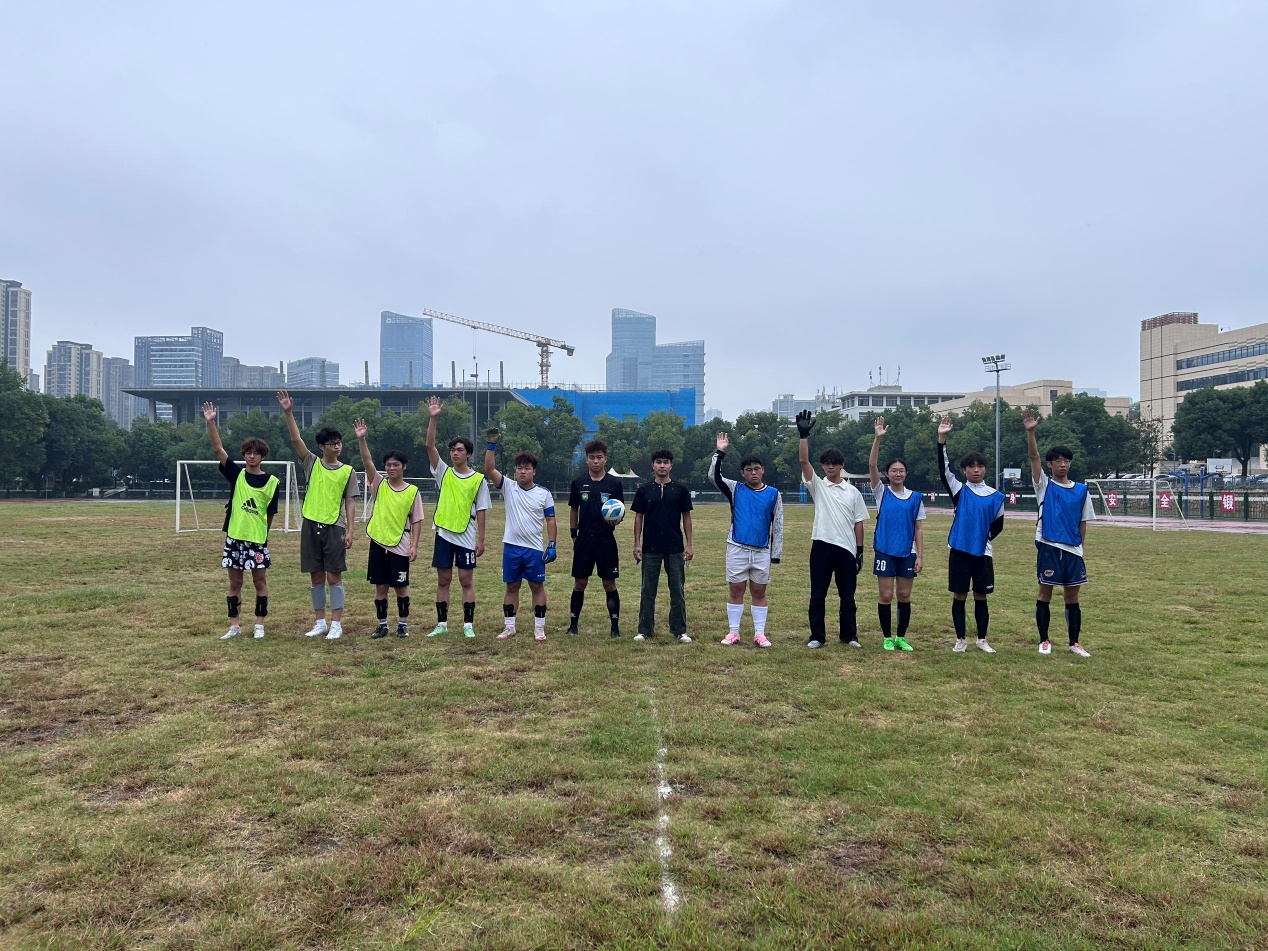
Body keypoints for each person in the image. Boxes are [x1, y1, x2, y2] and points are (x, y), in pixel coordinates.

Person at [277, 390, 357, 641]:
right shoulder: (311, 463)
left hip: (335, 527)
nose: (337, 446)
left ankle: (336, 624)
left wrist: (350, 530)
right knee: (316, 576)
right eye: (332, 443)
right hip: (311, 524)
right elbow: (296, 439)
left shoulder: (348, 471)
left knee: (334, 576)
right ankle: (320, 622)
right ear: (322, 447)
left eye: (339, 442)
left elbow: (350, 502)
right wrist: (288, 413)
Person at [1023, 409, 1095, 658]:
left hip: (1073, 549)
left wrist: (1081, 547)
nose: (1063, 464)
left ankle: (1074, 642)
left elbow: (1083, 522)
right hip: (1049, 545)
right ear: (1050, 464)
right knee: (1045, 593)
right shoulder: (1044, 486)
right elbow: (1033, 457)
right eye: (1058, 461)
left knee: (1072, 597)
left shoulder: (1082, 490)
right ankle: (1044, 640)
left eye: (1066, 461)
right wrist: (1031, 432)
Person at [203, 401, 278, 640]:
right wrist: (211, 422)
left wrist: (263, 537)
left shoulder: (272, 482)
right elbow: (218, 449)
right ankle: (234, 625)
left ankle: (259, 624)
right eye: (248, 453)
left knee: (260, 582)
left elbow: (270, 514)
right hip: (234, 538)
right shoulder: (237, 475)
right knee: (235, 584)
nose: (251, 456)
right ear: (244, 455)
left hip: (257, 541)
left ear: (262, 456)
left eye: (255, 453)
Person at [796, 410, 870, 649]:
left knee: (847, 596)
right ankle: (817, 636)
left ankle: (849, 636)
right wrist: (803, 436)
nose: (830, 467)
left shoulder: (853, 492)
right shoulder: (818, 486)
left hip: (846, 549)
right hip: (821, 545)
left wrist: (860, 550)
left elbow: (859, 522)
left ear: (841, 465)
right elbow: (804, 462)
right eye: (826, 463)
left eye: (834, 463)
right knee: (818, 595)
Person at [424, 397, 491, 639]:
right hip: (444, 533)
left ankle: (468, 624)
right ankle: (441, 623)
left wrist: (481, 539)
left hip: (466, 535)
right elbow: (430, 446)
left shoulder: (478, 479)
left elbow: (481, 510)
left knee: (465, 580)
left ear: (468, 454)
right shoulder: (443, 472)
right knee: (443, 580)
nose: (455, 453)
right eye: (452, 450)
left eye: (459, 450)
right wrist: (433, 418)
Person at [937, 415, 1005, 653]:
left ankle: (982, 639)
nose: (976, 470)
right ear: (964, 470)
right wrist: (941, 439)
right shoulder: (959, 490)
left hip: (983, 553)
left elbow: (998, 525)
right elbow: (943, 469)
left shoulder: (995, 496)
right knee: (959, 595)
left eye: (980, 466)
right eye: (971, 467)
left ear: (985, 469)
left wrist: (981, 539)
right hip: (959, 550)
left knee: (981, 596)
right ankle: (960, 639)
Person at [710, 432, 784, 647]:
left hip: (761, 550)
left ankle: (760, 634)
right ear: (742, 473)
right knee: (736, 590)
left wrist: (775, 554)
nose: (753, 472)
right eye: (749, 469)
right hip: (737, 547)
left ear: (763, 470)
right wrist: (719, 453)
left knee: (759, 592)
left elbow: (778, 525)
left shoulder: (774, 494)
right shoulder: (736, 489)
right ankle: (733, 632)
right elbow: (714, 477)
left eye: (757, 469)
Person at [484, 428, 558, 642]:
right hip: (511, 547)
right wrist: (491, 445)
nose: (522, 472)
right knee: (512, 586)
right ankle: (509, 627)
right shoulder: (508, 487)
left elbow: (551, 520)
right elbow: (489, 468)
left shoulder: (544, 494)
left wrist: (552, 544)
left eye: (526, 468)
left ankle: (539, 628)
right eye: (519, 468)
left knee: (537, 586)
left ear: (534, 471)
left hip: (534, 549)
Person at [354, 418, 424, 638]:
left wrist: (414, 546)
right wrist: (362, 439)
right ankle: (382, 624)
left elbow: (417, 520)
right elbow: (367, 461)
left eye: (395, 465)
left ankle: (403, 624)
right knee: (380, 586)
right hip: (378, 543)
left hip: (400, 545)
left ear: (404, 466)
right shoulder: (379, 484)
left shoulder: (412, 491)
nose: (391, 468)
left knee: (401, 587)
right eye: (388, 465)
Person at [868, 414, 927, 651]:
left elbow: (918, 528)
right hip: (885, 550)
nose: (898, 474)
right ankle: (886, 637)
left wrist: (920, 556)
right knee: (886, 596)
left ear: (906, 473)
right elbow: (871, 465)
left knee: (904, 595)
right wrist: (877, 439)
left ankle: (901, 637)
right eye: (894, 470)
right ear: (887, 474)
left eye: (901, 470)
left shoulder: (915, 498)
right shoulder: (881, 493)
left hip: (907, 552)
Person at [631, 449, 694, 643]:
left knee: (677, 590)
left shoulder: (680, 490)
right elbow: (638, 518)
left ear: (671, 465)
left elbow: (686, 518)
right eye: (658, 462)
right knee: (648, 590)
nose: (662, 466)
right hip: (650, 548)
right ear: (653, 465)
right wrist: (637, 544)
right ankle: (644, 630)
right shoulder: (644, 490)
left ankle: (679, 630)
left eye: (665, 462)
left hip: (675, 547)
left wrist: (689, 544)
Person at [566, 440, 625, 637]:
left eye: (599, 457)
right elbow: (574, 509)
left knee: (609, 584)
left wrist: (615, 521)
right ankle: (573, 626)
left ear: (605, 459)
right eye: (592, 458)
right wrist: (574, 534)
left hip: (606, 539)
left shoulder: (614, 484)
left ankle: (615, 628)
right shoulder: (578, 482)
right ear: (586, 460)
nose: (596, 461)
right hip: (584, 538)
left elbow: (620, 511)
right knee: (580, 583)